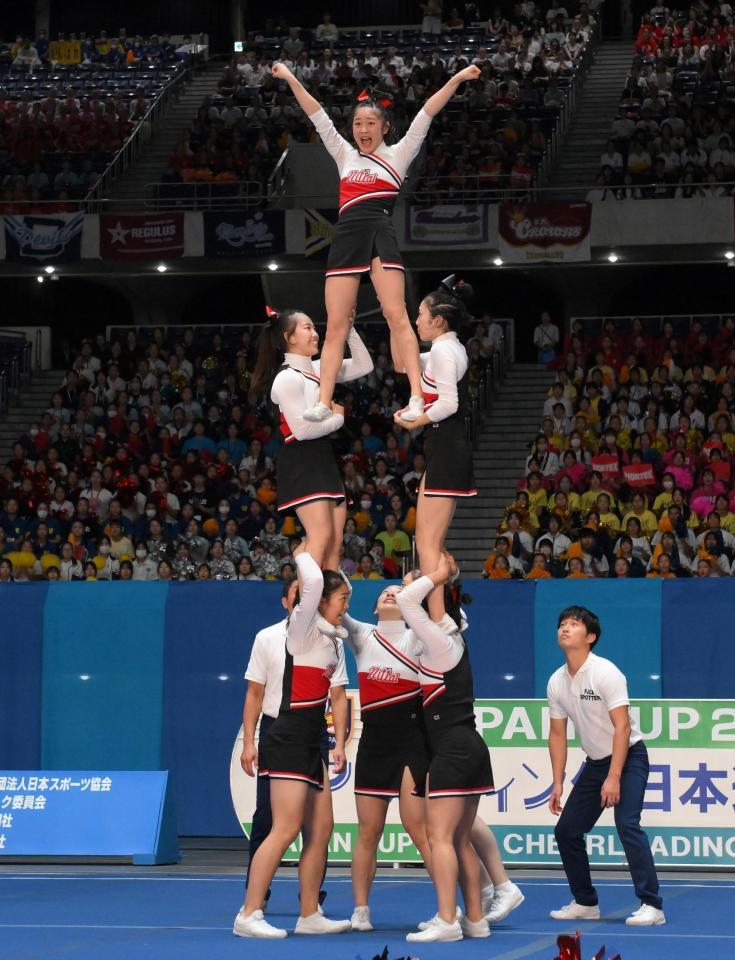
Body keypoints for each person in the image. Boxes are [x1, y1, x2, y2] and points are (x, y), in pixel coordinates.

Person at [271, 59, 481, 422]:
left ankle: (417, 396)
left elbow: (428, 111)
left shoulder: (398, 154)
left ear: (385, 127)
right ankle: (323, 400)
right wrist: (290, 77)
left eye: (370, 123)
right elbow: (315, 112)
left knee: (396, 314)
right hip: (346, 238)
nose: (362, 129)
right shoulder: (343, 154)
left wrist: (459, 78)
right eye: (357, 123)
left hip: (380, 234)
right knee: (336, 323)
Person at [234, 549, 351, 938]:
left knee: (321, 829)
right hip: (283, 733)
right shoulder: (291, 634)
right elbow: (253, 694)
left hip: (312, 737)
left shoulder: (333, 641)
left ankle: (309, 913)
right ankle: (249, 913)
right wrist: (307, 548)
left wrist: (337, 743)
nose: (346, 607)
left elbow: (336, 697)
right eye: (342, 600)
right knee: (282, 829)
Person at [547, 605, 665, 927]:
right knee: (567, 831)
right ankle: (585, 902)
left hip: (629, 758)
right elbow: (557, 734)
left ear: (591, 636)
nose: (565, 628)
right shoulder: (556, 682)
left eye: (573, 624)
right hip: (596, 762)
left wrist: (614, 777)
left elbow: (623, 728)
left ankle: (652, 905)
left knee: (627, 823)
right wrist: (558, 782)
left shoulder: (606, 672)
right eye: (562, 624)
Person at [397, 554, 493, 943]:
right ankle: (474, 919)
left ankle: (447, 920)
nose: (405, 590)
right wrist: (441, 578)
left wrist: (437, 574)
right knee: (457, 839)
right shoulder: (445, 635)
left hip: (453, 749)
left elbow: (408, 604)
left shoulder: (439, 640)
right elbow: (411, 617)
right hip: (467, 747)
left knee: (439, 838)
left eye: (410, 585)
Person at [340, 579, 432, 931]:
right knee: (369, 831)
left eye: (399, 591)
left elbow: (455, 618)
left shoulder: (416, 635)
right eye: (384, 593)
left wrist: (416, 588)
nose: (391, 593)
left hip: (412, 742)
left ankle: (446, 909)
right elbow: (335, 600)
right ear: (375, 608)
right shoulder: (362, 635)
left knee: (418, 828)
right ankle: (361, 910)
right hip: (375, 744)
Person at [251, 306, 373, 570]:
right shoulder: (286, 378)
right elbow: (301, 431)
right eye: (307, 328)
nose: (315, 333)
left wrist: (348, 328)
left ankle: (329, 609)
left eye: (314, 327)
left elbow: (364, 365)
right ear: (289, 337)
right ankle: (302, 605)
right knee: (320, 538)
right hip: (300, 459)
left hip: (324, 457)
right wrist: (338, 417)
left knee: (335, 541)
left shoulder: (318, 368)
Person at [393, 277, 477, 620]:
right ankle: (446, 605)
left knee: (426, 544)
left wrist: (416, 421)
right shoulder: (447, 347)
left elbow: (449, 404)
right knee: (428, 541)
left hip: (447, 446)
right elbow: (404, 363)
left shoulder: (445, 349)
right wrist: (394, 321)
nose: (417, 321)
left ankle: (440, 618)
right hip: (443, 448)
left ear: (438, 320)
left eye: (420, 315)